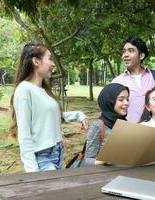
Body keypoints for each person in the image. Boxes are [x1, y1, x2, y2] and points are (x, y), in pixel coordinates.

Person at [10, 43, 87, 172]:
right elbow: (24, 134)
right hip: (42, 157)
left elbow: (51, 116)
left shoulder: (44, 90)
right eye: (50, 58)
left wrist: (79, 115)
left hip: (57, 153)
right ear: (36, 61)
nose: (53, 64)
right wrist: (32, 171)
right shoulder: (24, 90)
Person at [112, 36, 155, 123]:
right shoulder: (117, 82)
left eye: (131, 51)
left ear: (141, 55)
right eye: (124, 51)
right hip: (129, 132)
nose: (125, 55)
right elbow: (110, 109)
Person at [83, 83, 129, 166]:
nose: (126, 103)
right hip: (103, 176)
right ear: (109, 101)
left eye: (127, 99)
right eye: (121, 100)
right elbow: (87, 161)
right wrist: (105, 160)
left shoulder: (126, 124)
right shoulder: (98, 126)